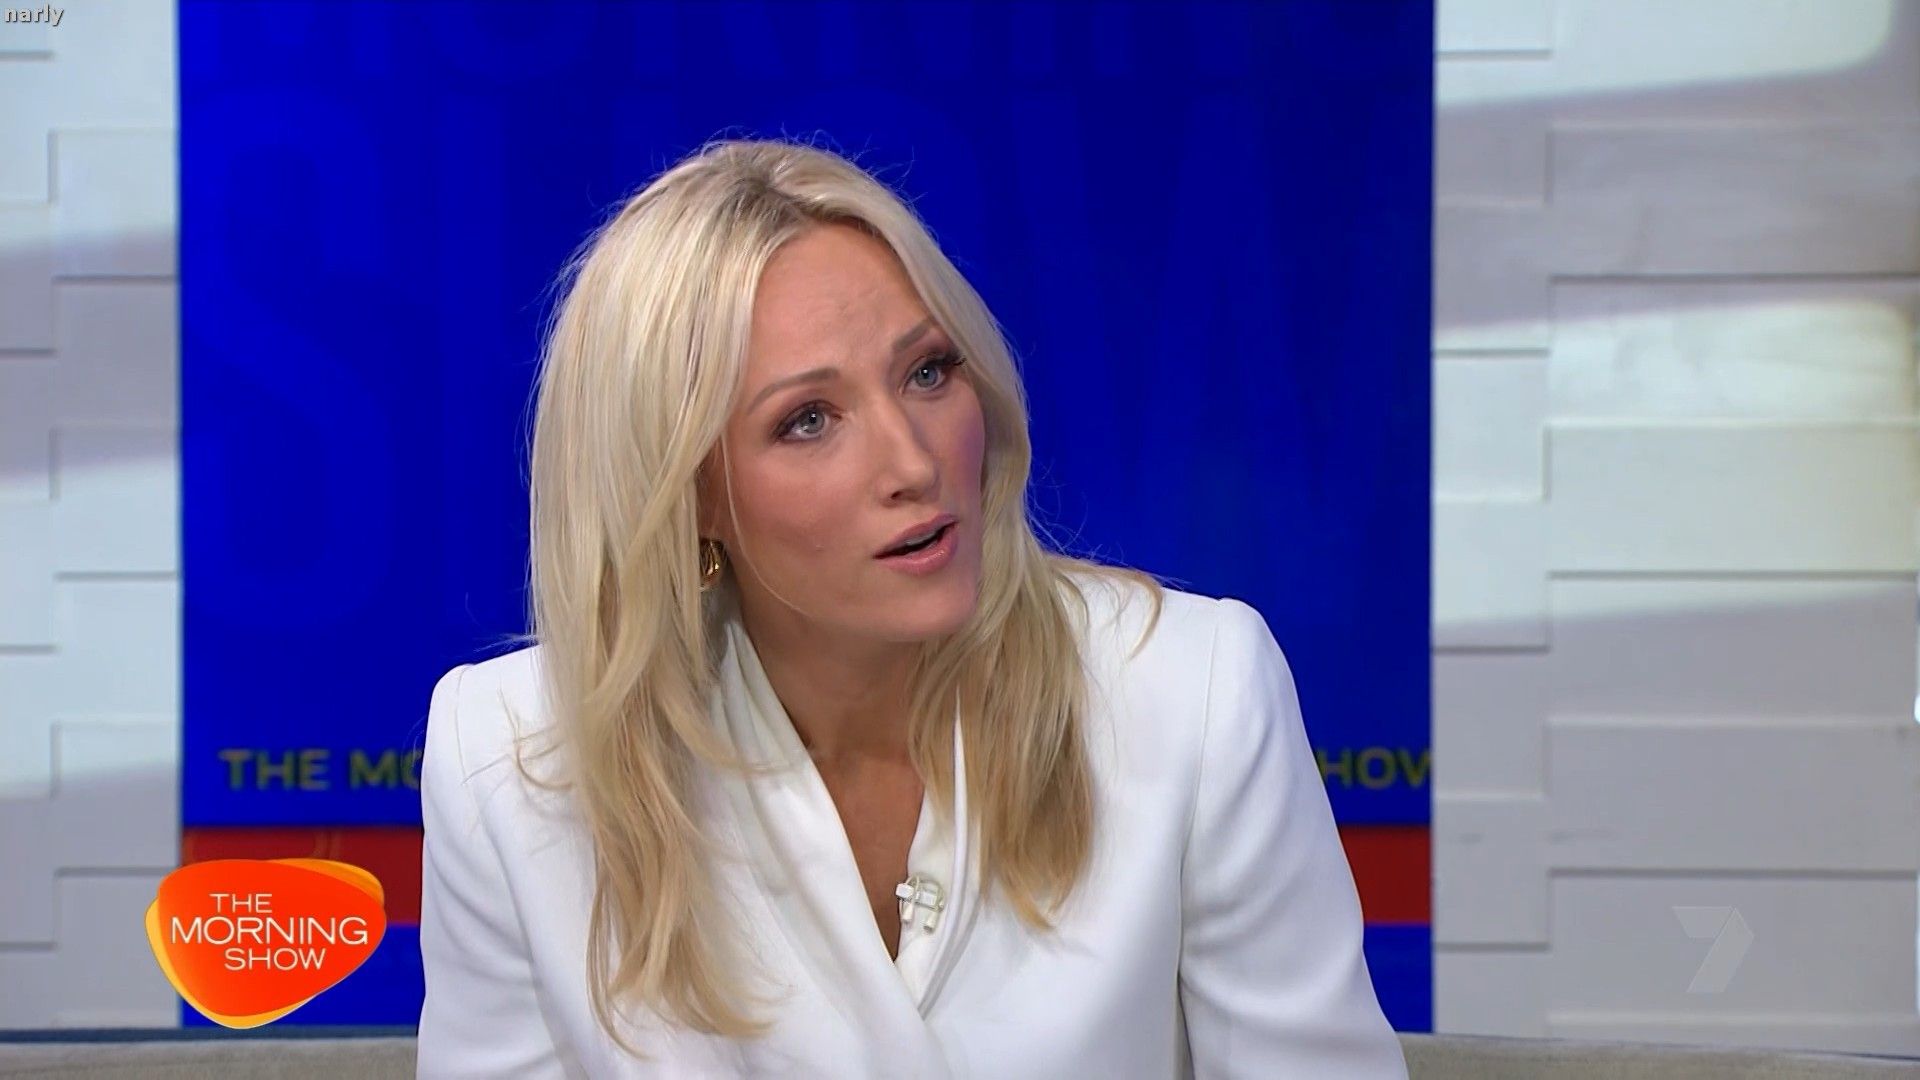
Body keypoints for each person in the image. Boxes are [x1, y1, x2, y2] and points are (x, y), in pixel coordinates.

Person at [415, 136, 1408, 1079]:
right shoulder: (512, 762)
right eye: (808, 420)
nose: (914, 461)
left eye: (927, 372)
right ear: (685, 493)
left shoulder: (1192, 694)